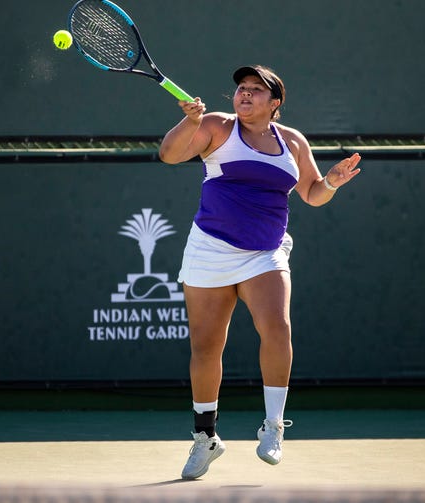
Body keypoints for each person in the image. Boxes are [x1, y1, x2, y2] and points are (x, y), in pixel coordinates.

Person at [158, 65, 361, 479]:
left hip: (265, 253)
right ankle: (206, 438)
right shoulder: (215, 125)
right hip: (210, 249)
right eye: (241, 89)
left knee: (278, 327)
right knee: (206, 347)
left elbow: (311, 193)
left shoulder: (293, 142)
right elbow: (170, 154)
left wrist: (333, 182)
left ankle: (272, 427)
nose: (245, 95)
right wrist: (190, 120)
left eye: (255, 90)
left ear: (275, 103)